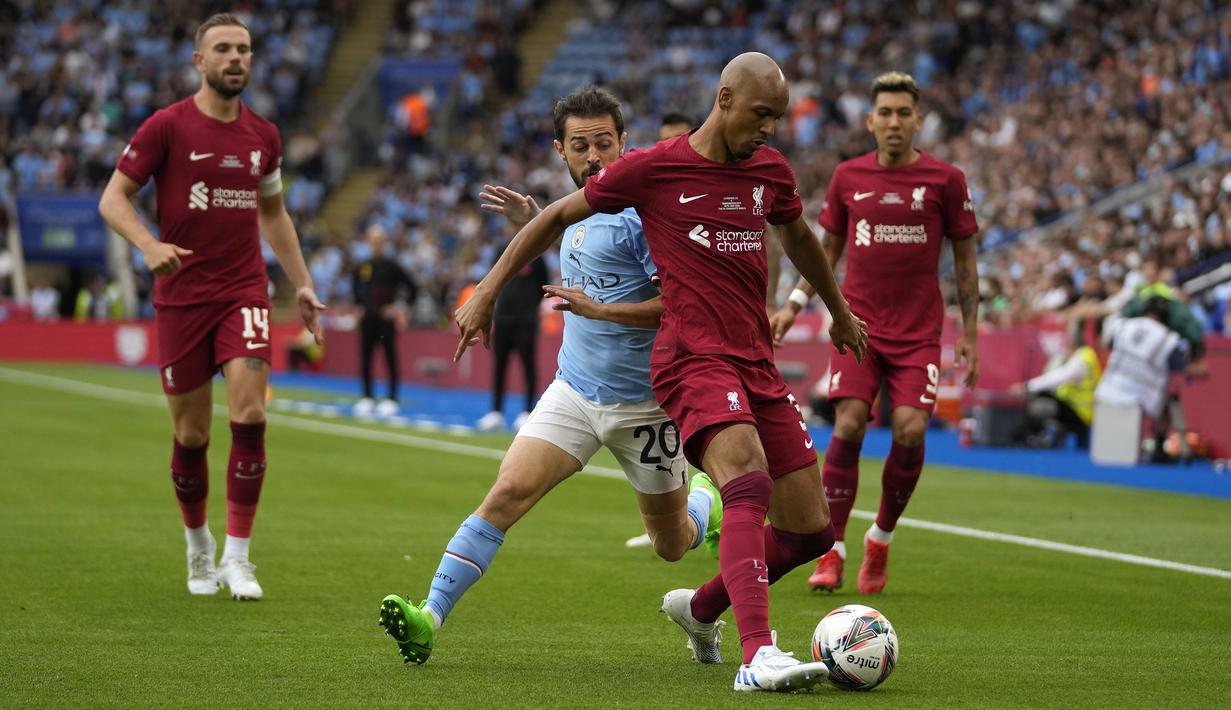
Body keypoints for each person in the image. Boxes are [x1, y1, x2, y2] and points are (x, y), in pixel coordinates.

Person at [453, 54, 868, 693]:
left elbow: (800, 238)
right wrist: (486, 289)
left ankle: (700, 608)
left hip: (755, 360)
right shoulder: (653, 168)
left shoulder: (769, 170)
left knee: (811, 531)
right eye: (761, 114)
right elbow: (556, 217)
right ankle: (758, 655)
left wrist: (838, 310)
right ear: (724, 99)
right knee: (747, 480)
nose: (769, 129)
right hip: (690, 357)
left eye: (777, 118)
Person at [378, 86, 722, 666]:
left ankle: (703, 503)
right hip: (575, 393)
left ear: (624, 142)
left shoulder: (647, 218)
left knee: (670, 546)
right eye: (580, 146)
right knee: (506, 493)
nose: (594, 156)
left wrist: (601, 311)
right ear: (560, 150)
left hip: (646, 407)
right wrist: (536, 221)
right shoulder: (577, 211)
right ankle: (428, 617)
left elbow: (680, 305)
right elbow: (590, 247)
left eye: (604, 143)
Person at [97, 13, 325, 601]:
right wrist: (148, 245)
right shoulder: (166, 127)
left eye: (243, 49)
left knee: (250, 415)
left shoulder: (263, 136)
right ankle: (198, 543)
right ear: (200, 61)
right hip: (181, 299)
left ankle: (238, 557)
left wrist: (301, 282)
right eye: (223, 49)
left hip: (244, 292)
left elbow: (273, 213)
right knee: (192, 434)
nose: (236, 58)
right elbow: (113, 199)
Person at [769, 71, 980, 596]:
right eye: (885, 113)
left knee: (909, 430)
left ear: (918, 121)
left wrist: (971, 332)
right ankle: (833, 549)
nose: (894, 122)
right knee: (848, 423)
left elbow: (965, 262)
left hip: (919, 333)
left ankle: (880, 538)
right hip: (857, 326)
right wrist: (794, 305)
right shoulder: (848, 177)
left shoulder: (946, 181)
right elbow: (825, 252)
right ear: (870, 121)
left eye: (903, 113)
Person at [1094, 295, 1190, 461]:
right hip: (1143, 393)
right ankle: (1159, 447)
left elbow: (1105, 344)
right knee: (1168, 402)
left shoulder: (1122, 324)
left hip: (1111, 385)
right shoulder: (1168, 337)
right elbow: (1180, 366)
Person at [473, 243, 549, 432]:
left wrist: (528, 306)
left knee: (528, 367)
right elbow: (493, 279)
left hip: (525, 321)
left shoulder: (536, 254)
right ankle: (496, 412)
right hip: (502, 319)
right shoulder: (502, 250)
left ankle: (527, 411)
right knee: (499, 367)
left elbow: (544, 285)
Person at [352, 223, 416, 417]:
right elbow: (356, 291)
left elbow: (412, 288)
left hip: (386, 321)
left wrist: (399, 308)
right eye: (373, 240)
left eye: (379, 240)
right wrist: (359, 308)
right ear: (368, 242)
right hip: (368, 319)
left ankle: (391, 398)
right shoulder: (362, 266)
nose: (376, 243)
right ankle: (367, 397)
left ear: (384, 242)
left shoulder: (392, 266)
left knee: (390, 358)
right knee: (366, 358)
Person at [1012, 324, 1103, 449]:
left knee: (1042, 396)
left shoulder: (1082, 359)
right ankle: (1046, 433)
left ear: (1072, 344)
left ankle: (1040, 435)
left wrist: (1028, 386)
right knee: (1044, 395)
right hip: (1081, 409)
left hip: (1081, 412)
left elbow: (1059, 376)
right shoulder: (1087, 355)